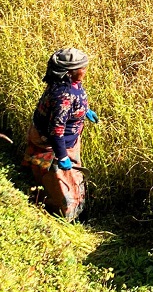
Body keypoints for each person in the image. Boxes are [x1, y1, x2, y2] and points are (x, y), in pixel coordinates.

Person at [23, 47, 98, 221]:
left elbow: (76, 98)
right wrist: (62, 155)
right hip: (54, 144)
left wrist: (85, 110)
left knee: (73, 175)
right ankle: (59, 211)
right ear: (71, 72)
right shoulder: (63, 96)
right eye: (83, 68)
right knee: (59, 181)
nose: (85, 71)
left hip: (68, 141)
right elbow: (56, 130)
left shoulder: (69, 83)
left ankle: (75, 206)